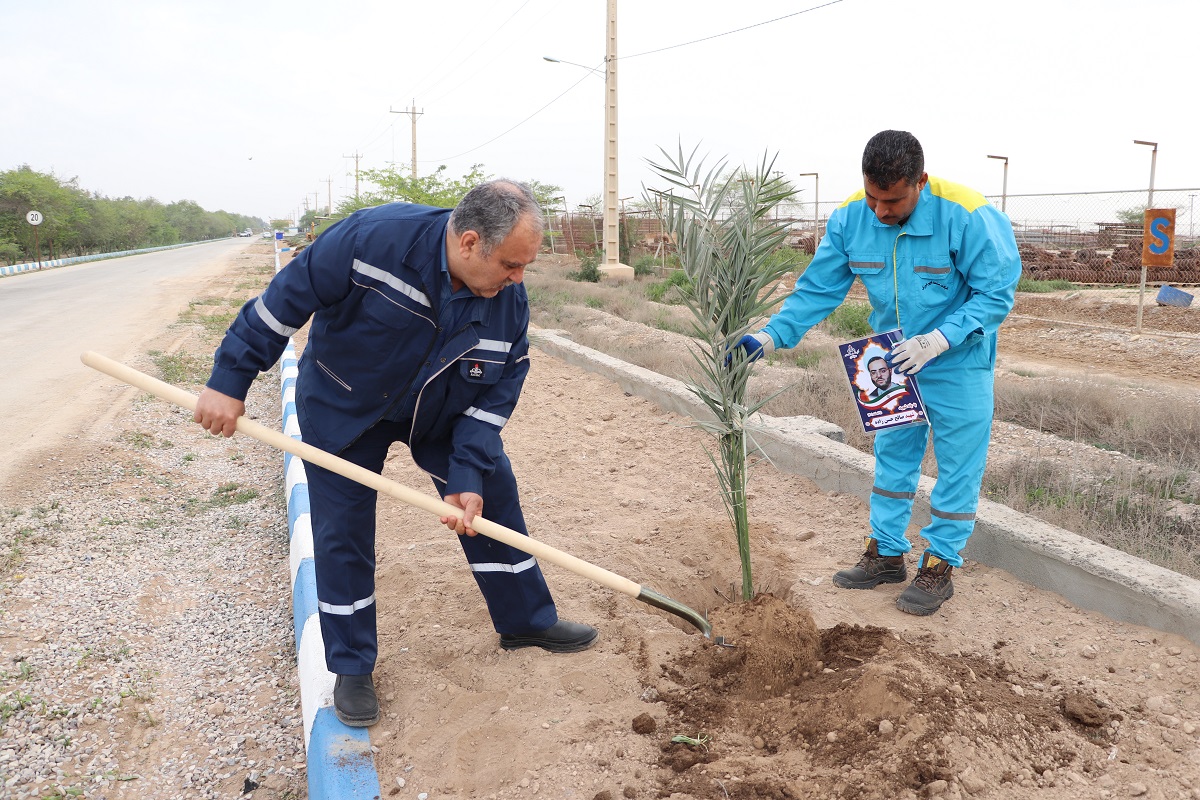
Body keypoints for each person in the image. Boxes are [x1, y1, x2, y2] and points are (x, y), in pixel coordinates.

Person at [194, 180, 598, 727]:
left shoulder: (508, 302)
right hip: (344, 402)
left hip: (441, 410)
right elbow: (283, 302)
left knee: (491, 498)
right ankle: (352, 666)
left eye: (525, 266)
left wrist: (467, 471)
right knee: (342, 528)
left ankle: (525, 620)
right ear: (470, 242)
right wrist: (229, 379)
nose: (518, 278)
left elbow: (496, 396)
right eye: (511, 264)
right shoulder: (371, 240)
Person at [734, 130, 1021, 616]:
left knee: (958, 465)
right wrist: (770, 336)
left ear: (920, 182)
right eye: (873, 197)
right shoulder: (851, 217)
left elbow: (995, 293)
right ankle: (886, 553)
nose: (881, 211)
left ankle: (939, 565)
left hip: (957, 360)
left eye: (893, 201)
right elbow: (818, 289)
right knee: (892, 459)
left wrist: (937, 340)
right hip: (888, 361)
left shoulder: (969, 215)